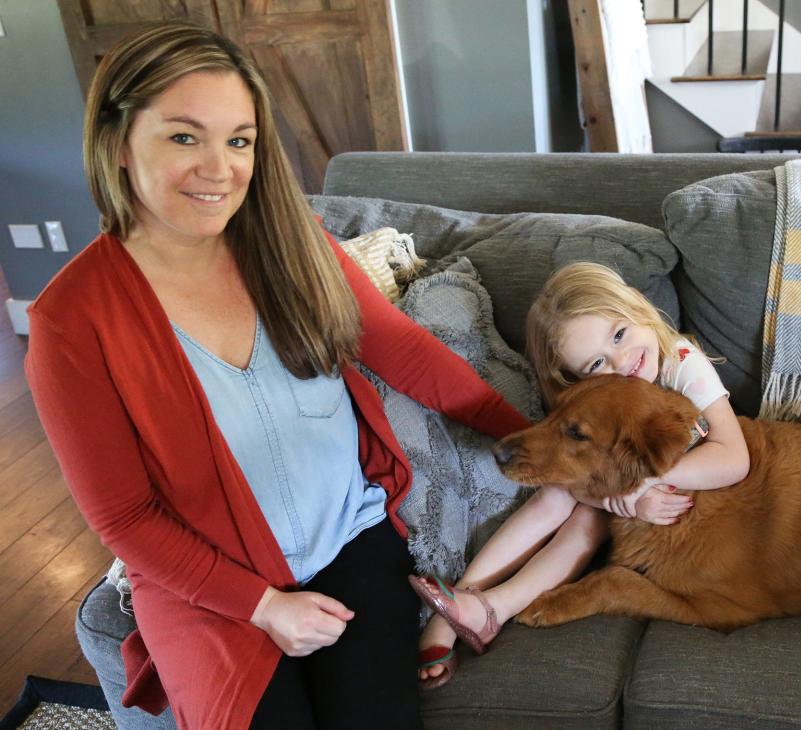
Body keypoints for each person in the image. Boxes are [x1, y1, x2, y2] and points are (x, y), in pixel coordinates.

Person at [24, 22, 529, 729]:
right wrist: (263, 608)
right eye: (183, 136)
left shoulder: (297, 249)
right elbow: (124, 517)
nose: (219, 167)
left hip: (350, 547)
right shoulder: (71, 321)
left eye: (239, 140)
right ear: (116, 140)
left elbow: (410, 357)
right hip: (210, 591)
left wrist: (540, 444)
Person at [410, 262, 750, 687]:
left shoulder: (681, 362)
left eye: (620, 335)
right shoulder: (597, 395)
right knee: (555, 499)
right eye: (597, 363)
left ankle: (493, 608)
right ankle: (462, 600)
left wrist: (646, 480)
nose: (623, 362)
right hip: (615, 481)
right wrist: (615, 497)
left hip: (676, 477)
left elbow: (734, 458)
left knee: (586, 523)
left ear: (638, 307)